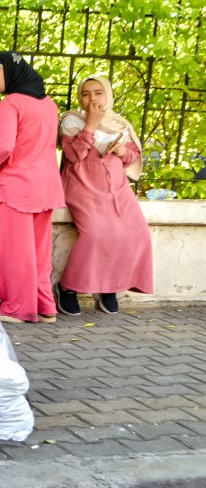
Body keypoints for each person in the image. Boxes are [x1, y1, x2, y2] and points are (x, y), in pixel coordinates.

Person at [0, 51, 65, 324]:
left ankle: (17, 308)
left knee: (15, 254)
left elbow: (5, 146)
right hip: (46, 187)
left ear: (11, 74)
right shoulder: (49, 104)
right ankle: (44, 306)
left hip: (16, 187)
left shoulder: (10, 103)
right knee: (39, 252)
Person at [55, 75, 153, 315]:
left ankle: (109, 287)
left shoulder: (119, 123)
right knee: (97, 233)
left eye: (98, 92)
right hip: (82, 183)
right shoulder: (71, 120)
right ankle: (67, 287)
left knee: (137, 232)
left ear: (107, 94)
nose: (92, 98)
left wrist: (122, 151)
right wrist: (90, 124)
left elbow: (131, 158)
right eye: (85, 93)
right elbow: (72, 156)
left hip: (116, 186)